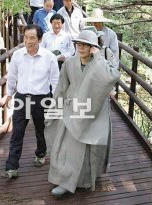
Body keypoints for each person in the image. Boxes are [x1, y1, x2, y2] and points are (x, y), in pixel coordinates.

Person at [46, 30, 120, 197]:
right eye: (79, 43)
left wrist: (99, 57)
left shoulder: (100, 63)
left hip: (95, 110)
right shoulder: (69, 63)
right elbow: (61, 88)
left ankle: (86, 180)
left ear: (93, 47)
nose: (81, 47)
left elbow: (112, 77)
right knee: (69, 146)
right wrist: (55, 108)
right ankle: (65, 181)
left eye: (86, 44)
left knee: (90, 148)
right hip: (72, 109)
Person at [0, 24, 59, 179]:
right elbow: (12, 77)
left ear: (39, 39)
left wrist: (54, 101)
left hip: (42, 99)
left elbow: (55, 81)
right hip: (22, 98)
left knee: (41, 130)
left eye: (32, 38)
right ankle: (11, 166)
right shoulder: (18, 56)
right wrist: (9, 95)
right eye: (26, 37)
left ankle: (40, 154)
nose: (28, 41)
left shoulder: (49, 57)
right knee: (17, 132)